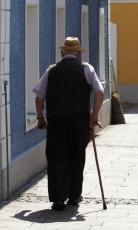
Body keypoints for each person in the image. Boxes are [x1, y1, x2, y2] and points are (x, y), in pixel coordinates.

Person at [33, 37, 104, 211]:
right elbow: (100, 93)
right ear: (79, 53)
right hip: (80, 121)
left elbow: (39, 98)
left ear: (62, 52)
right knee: (76, 157)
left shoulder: (51, 71)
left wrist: (40, 117)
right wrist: (94, 116)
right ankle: (73, 197)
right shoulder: (86, 69)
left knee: (57, 158)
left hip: (57, 121)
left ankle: (58, 199)